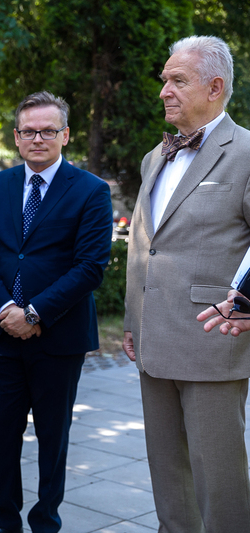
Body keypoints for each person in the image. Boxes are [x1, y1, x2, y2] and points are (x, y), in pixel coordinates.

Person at [0, 91, 113, 533]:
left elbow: (90, 267)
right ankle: (4, 524)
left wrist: (34, 314)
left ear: (65, 135)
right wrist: (8, 308)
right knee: (1, 440)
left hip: (58, 339)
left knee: (54, 440)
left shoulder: (91, 191)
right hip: (1, 337)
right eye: (28, 131)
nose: (38, 138)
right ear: (16, 137)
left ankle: (46, 521)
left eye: (48, 130)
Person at [122, 35, 250, 531]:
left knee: (220, 485)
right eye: (164, 81)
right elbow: (144, 245)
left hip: (211, 341)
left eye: (178, 81)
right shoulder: (156, 156)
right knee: (168, 481)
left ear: (215, 87)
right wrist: (133, 320)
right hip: (154, 343)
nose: (164, 92)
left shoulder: (244, 151)